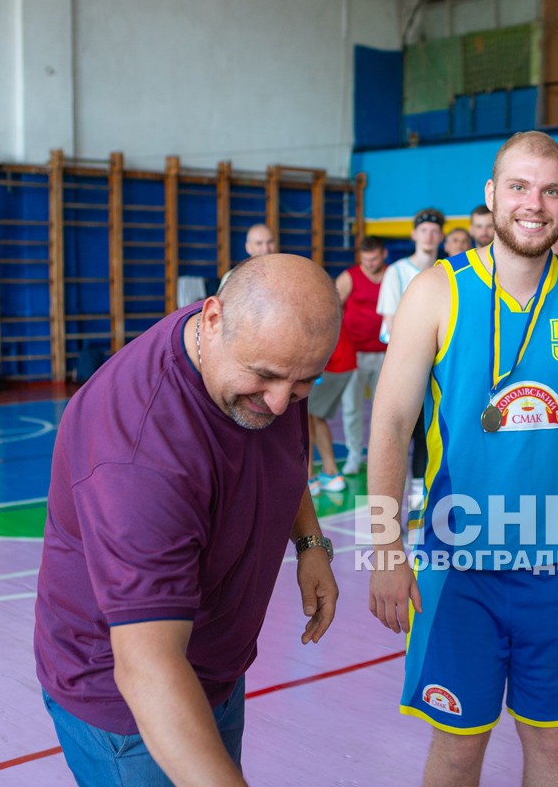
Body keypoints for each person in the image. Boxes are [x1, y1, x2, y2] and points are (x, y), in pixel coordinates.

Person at [367, 131, 558, 786]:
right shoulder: (435, 291)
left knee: (553, 746)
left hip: (557, 561)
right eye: (518, 186)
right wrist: (384, 545)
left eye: (549, 190)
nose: (533, 204)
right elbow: (392, 421)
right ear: (491, 195)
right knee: (457, 749)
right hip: (459, 568)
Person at [34, 254, 341, 783]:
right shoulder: (138, 453)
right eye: (265, 378)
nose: (278, 402)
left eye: (303, 384)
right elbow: (148, 667)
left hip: (217, 664)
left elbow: (283, 450)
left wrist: (310, 542)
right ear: (215, 317)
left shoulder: (257, 352)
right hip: (131, 706)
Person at [378, 208, 445, 510]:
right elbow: (393, 323)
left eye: (434, 231)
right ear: (414, 235)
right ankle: (393, 505)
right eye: (424, 230)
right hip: (406, 368)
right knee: (399, 433)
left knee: (429, 433)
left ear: (440, 236)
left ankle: (423, 496)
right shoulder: (397, 272)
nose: (429, 236)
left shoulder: (447, 271)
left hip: (439, 370)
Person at [337, 236, 389, 476]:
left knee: (385, 410)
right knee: (351, 408)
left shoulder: (393, 275)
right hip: (354, 355)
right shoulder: (349, 277)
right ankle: (354, 456)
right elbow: (332, 307)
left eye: (374, 259)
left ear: (384, 254)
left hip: (386, 354)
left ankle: (380, 458)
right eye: (366, 260)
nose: (370, 264)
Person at [308, 325, 355, 495]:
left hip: (327, 364)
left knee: (304, 418)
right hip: (341, 361)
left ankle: (308, 477)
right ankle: (331, 472)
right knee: (315, 417)